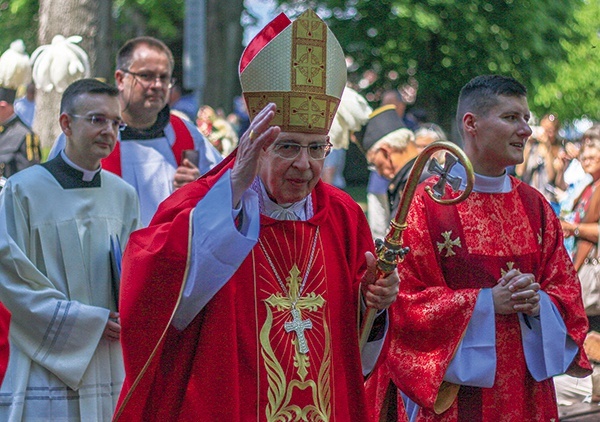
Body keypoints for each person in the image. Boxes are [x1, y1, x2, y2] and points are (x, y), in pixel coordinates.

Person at [114, 10, 399, 421]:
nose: (304, 164)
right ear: (256, 144)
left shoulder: (342, 216)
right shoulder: (205, 203)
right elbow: (154, 297)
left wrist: (375, 304)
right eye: (287, 147)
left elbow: (356, 347)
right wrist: (228, 196)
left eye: (317, 148)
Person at [366, 75, 592, 421]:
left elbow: (567, 292)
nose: (526, 130)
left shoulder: (535, 206)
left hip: (526, 392)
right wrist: (486, 303)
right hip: (456, 399)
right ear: (471, 124)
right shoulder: (428, 204)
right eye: (510, 118)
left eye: (526, 119)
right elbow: (405, 300)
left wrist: (540, 303)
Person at [0, 79, 140, 419]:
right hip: (45, 356)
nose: (108, 130)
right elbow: (12, 280)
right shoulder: (23, 190)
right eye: (96, 119)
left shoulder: (124, 195)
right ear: (66, 123)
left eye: (115, 122)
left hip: (108, 357)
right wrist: (86, 322)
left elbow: (134, 275)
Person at [49, 36, 222, 226]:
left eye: (164, 77)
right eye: (146, 76)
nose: (157, 85)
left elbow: (223, 192)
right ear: (120, 79)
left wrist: (197, 189)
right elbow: (53, 201)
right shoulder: (85, 133)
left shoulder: (187, 135)